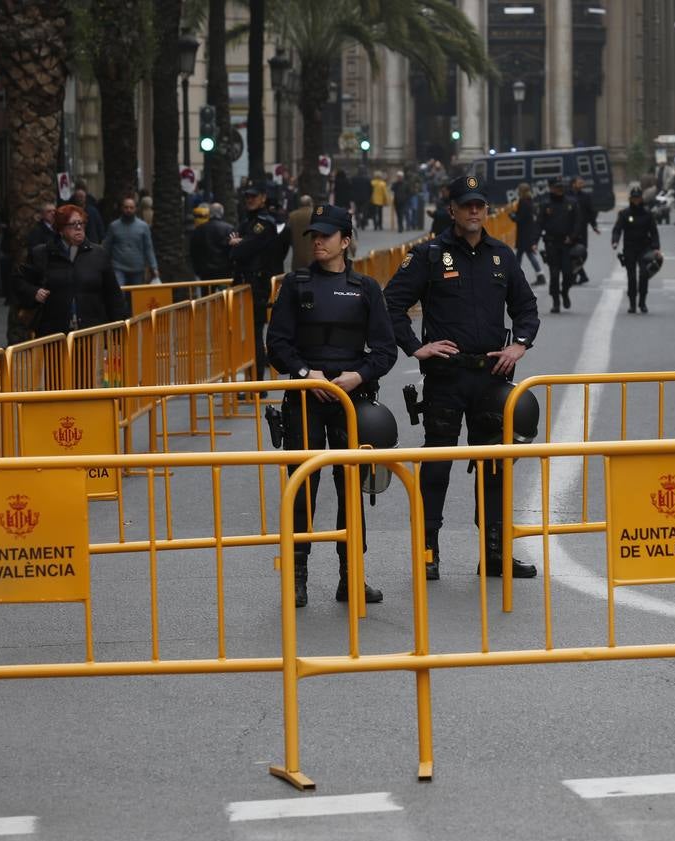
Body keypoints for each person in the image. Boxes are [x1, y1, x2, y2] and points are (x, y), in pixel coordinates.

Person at [384, 174, 541, 582]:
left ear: (487, 210)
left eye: (480, 205)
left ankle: (493, 554)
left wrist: (518, 345)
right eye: (465, 205)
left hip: (491, 377)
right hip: (445, 379)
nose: (474, 212)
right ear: (451, 208)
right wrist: (417, 347)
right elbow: (391, 305)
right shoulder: (429, 256)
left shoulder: (501, 256)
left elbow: (526, 308)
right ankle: (428, 551)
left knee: (494, 465)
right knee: (437, 465)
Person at [266, 203, 398, 606]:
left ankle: (351, 576)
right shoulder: (295, 284)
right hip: (305, 399)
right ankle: (298, 578)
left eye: (326, 236)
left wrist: (357, 376)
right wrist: (307, 375)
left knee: (350, 491)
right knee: (302, 488)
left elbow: (385, 350)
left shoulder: (366, 288)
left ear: (346, 240)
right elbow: (277, 345)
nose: (318, 242)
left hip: (351, 400)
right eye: (314, 236)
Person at [15, 203, 124, 337]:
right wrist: (34, 292)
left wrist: (119, 333)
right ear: (60, 229)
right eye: (73, 224)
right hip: (54, 336)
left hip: (91, 333)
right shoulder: (42, 253)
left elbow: (113, 295)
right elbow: (19, 282)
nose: (78, 228)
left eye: (81, 223)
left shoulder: (98, 254)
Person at [229, 184, 284, 380]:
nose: (249, 200)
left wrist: (239, 244)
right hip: (247, 284)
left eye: (254, 196)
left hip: (257, 285)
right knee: (247, 336)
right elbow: (236, 249)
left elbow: (241, 250)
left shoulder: (263, 224)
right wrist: (239, 245)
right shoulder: (248, 222)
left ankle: (257, 382)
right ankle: (253, 381)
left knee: (254, 335)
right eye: (247, 197)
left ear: (263, 198)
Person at [611, 186, 662, 314]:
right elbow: (617, 229)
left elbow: (654, 232)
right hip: (630, 248)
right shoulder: (624, 214)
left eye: (638, 198)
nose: (636, 201)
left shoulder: (648, 214)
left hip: (644, 248)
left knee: (644, 275)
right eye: (634, 198)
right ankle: (632, 303)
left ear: (641, 199)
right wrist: (615, 241)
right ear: (630, 199)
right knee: (631, 277)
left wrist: (656, 248)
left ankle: (642, 302)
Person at [538, 177, 582, 313]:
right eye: (557, 187)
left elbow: (577, 222)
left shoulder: (572, 203)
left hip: (567, 243)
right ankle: (556, 301)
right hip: (551, 243)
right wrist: (533, 241)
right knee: (554, 274)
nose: (559, 190)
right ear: (551, 188)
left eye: (561, 187)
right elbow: (539, 223)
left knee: (569, 273)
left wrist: (572, 237)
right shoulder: (546, 204)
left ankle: (565, 292)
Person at [103, 195, 159, 287]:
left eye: (131, 208)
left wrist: (154, 267)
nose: (128, 210)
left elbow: (148, 248)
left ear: (135, 209)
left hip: (137, 268)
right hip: (118, 267)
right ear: (121, 208)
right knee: (119, 294)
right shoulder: (114, 226)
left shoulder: (143, 226)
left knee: (137, 297)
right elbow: (106, 247)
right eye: (126, 207)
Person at [510, 182, 546, 286]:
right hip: (527, 232)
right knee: (520, 256)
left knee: (527, 255)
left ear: (521, 191)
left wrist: (512, 217)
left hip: (524, 234)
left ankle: (539, 276)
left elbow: (520, 218)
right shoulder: (529, 201)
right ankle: (516, 276)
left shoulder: (523, 202)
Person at [190, 203, 234, 280]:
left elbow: (194, 251)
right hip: (224, 271)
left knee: (207, 292)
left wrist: (197, 270)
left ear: (209, 213)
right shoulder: (228, 228)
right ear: (222, 213)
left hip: (206, 272)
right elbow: (232, 249)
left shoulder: (199, 229)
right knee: (225, 292)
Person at [569, 176, 599, 284]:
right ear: (573, 184)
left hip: (582, 229)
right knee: (572, 253)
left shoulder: (586, 196)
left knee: (580, 253)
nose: (582, 184)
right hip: (570, 230)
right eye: (579, 182)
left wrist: (594, 225)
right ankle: (579, 276)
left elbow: (591, 212)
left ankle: (578, 276)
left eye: (582, 182)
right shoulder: (567, 196)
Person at [285, 195, 315, 270]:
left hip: (297, 256)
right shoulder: (315, 215)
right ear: (311, 203)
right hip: (313, 255)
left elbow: (288, 234)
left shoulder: (292, 216)